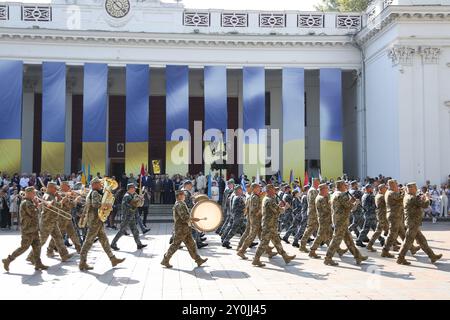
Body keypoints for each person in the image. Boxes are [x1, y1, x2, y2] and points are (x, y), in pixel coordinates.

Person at [79, 178, 125, 271]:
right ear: (94, 184)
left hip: (97, 221)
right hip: (94, 221)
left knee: (104, 241)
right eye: (99, 184)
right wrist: (106, 205)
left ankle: (113, 259)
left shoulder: (94, 192)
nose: (101, 185)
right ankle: (82, 262)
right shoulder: (94, 192)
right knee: (88, 242)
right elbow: (96, 204)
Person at [2, 187, 48, 272]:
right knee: (23, 248)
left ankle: (38, 263)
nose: (35, 194)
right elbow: (34, 213)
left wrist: (36, 205)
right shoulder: (26, 203)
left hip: (33, 229)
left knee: (37, 246)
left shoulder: (29, 202)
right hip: (28, 230)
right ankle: (8, 260)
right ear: (29, 193)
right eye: (34, 193)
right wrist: (37, 205)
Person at [26, 182, 73, 264]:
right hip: (47, 222)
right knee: (42, 241)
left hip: (52, 221)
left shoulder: (52, 195)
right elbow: (53, 206)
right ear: (50, 188)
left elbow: (55, 206)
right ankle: (31, 256)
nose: (56, 190)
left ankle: (64, 255)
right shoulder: (48, 196)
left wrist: (59, 199)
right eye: (55, 188)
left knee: (59, 238)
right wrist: (62, 201)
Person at [324, 180, 368, 266]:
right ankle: (328, 258)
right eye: (345, 185)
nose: (346, 186)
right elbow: (348, 207)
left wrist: (350, 201)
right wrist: (355, 202)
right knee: (336, 240)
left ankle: (358, 256)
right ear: (341, 186)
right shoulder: (342, 194)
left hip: (338, 219)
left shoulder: (334, 194)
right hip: (341, 220)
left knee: (349, 240)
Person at [396, 183, 442, 265]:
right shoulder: (412, 198)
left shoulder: (408, 196)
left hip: (413, 223)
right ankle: (400, 257)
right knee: (408, 242)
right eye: (415, 187)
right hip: (412, 223)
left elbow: (418, 203)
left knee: (422, 240)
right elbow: (425, 205)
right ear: (411, 189)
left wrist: (422, 198)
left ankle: (432, 256)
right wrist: (427, 197)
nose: (416, 188)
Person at [161, 190, 208, 268]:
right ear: (179, 196)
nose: (184, 196)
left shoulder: (182, 204)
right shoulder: (179, 205)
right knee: (175, 245)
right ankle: (165, 260)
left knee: (191, 244)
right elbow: (184, 217)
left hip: (185, 229)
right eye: (183, 195)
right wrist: (193, 219)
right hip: (181, 229)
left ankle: (198, 260)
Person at [251, 184, 296, 267]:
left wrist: (279, 206)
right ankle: (255, 259)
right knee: (264, 243)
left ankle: (285, 257)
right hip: (269, 225)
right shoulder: (269, 200)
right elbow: (279, 211)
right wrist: (285, 207)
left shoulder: (267, 199)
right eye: (273, 190)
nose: (275, 191)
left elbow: (274, 210)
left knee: (277, 242)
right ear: (269, 191)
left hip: (271, 225)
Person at [308, 183, 346, 259]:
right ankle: (312, 251)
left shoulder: (323, 197)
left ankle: (338, 250)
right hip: (324, 220)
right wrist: (333, 205)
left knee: (330, 236)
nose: (328, 190)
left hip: (326, 220)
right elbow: (326, 210)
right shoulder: (320, 198)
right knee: (320, 236)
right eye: (326, 188)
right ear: (322, 190)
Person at [47, 181, 83, 255]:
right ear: (63, 186)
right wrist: (76, 200)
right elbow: (70, 205)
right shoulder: (58, 194)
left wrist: (74, 197)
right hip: (61, 218)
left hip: (67, 217)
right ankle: (49, 250)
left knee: (73, 234)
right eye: (68, 186)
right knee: (58, 236)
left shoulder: (67, 194)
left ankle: (79, 249)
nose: (69, 187)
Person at [111, 183, 147, 251]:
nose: (135, 189)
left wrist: (139, 200)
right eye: (134, 188)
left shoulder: (131, 195)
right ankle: (113, 244)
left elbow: (136, 204)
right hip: (127, 217)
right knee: (122, 231)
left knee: (135, 231)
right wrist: (136, 202)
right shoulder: (127, 196)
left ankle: (139, 244)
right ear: (130, 188)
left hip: (131, 216)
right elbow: (126, 205)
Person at [299, 178, 320, 252]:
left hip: (315, 213)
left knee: (322, 230)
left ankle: (334, 247)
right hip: (313, 213)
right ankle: (302, 245)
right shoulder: (312, 190)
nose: (319, 184)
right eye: (318, 182)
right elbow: (314, 202)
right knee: (310, 229)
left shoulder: (314, 190)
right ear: (315, 182)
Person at [366, 184, 388, 252]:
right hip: (382, 216)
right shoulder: (381, 196)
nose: (386, 189)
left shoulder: (379, 195)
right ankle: (369, 245)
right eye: (385, 188)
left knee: (388, 230)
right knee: (378, 231)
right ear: (381, 189)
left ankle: (393, 244)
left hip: (382, 215)